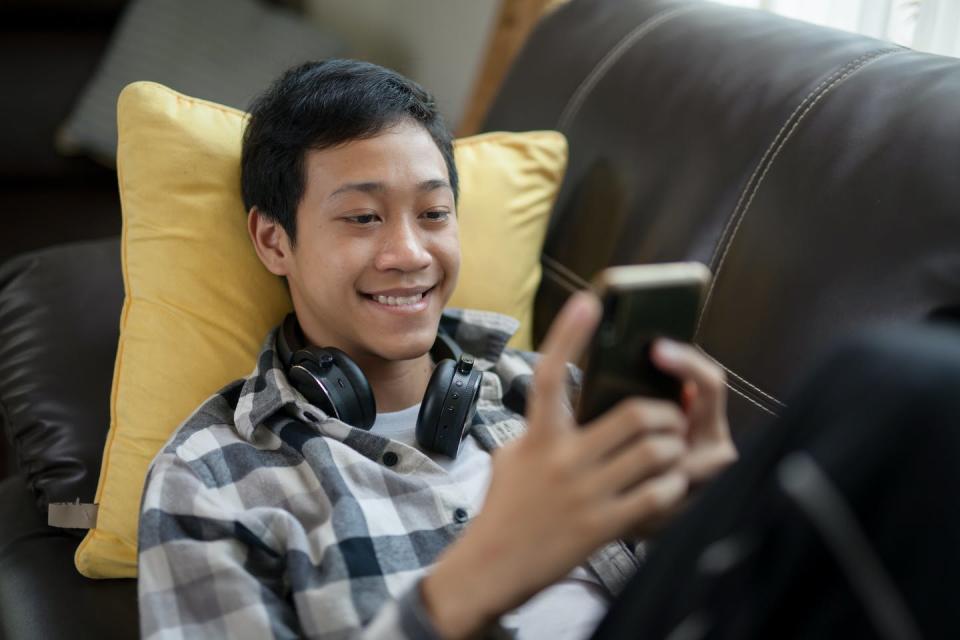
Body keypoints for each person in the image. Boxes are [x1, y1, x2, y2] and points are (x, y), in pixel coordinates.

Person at [138, 58, 960, 640]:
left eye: (433, 213)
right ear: (273, 240)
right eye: (362, 217)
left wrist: (713, 507)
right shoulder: (209, 480)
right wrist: (472, 585)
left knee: (917, 396)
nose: (410, 254)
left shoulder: (554, 393)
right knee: (890, 380)